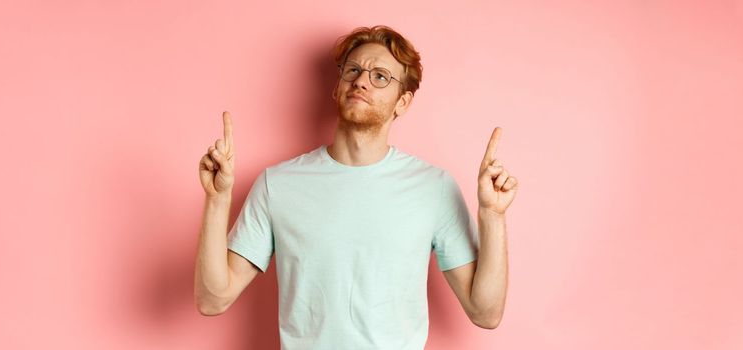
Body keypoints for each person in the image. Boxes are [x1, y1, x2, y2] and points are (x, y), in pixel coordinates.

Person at [194, 25, 518, 349]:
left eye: (380, 76)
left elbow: (485, 313)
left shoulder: (434, 188)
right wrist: (217, 199)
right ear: (337, 88)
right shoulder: (277, 185)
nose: (361, 80)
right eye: (353, 70)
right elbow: (213, 300)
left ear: (402, 102)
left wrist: (491, 214)